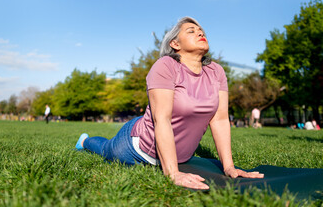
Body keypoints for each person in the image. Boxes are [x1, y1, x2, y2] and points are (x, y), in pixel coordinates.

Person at [75, 17, 263, 190]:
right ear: (175, 44)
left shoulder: (216, 71)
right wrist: (173, 173)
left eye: (201, 30)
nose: (200, 33)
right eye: (191, 31)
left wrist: (229, 167)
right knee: (105, 149)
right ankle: (84, 141)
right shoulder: (166, 65)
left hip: (181, 156)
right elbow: (162, 120)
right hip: (137, 147)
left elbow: (220, 120)